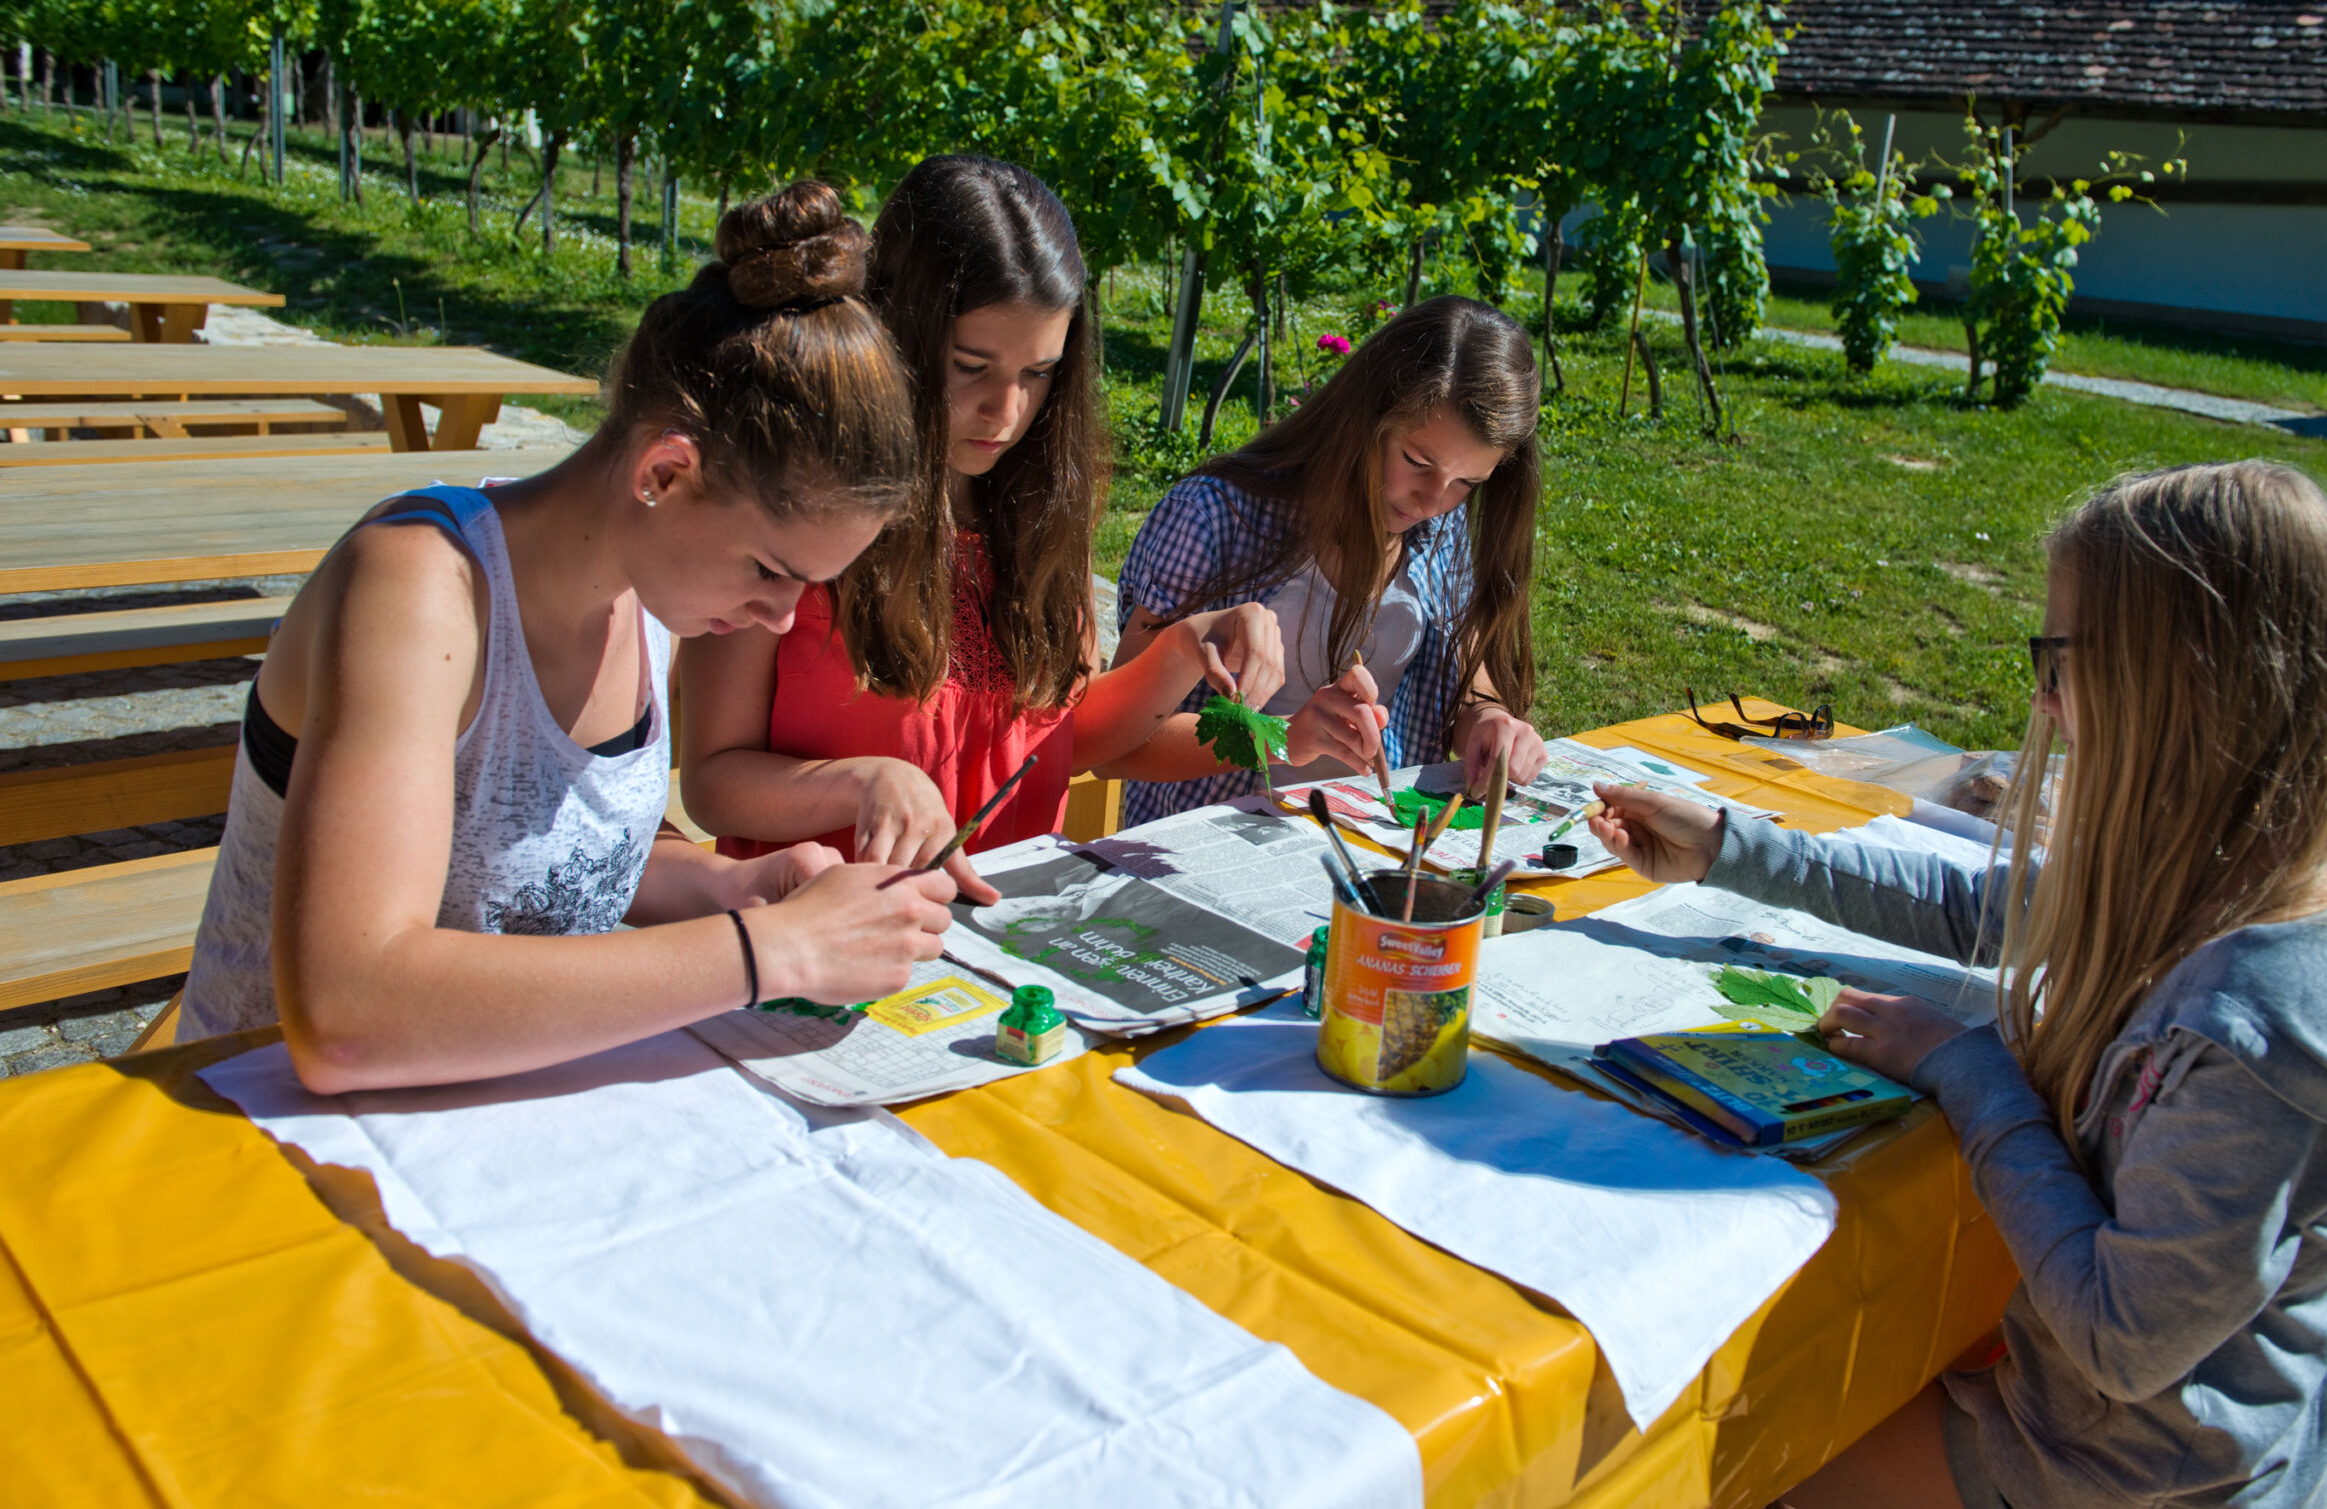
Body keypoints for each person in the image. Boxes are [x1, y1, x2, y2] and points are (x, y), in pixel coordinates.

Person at [1589, 461, 2327, 1509]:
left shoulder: (2268, 1035)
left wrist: (1965, 1069)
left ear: (2180, 681)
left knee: (1707, 1457)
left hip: (2132, 1480)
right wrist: (1732, 849)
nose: (2041, 697)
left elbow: (2115, 1335)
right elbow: (1995, 907)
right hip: (2104, 1432)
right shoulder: (2247, 847)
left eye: (2058, 659)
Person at [179, 182, 961, 1090]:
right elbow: (344, 1014)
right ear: (666, 474)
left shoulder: (651, 591)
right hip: (260, 1137)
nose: (781, 618)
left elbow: (543, 857)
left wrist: (726, 889)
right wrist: (765, 950)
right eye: (769, 570)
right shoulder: (418, 587)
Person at [679, 154, 1282, 880]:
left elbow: (1054, 738)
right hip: (828, 942)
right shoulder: (797, 510)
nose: (1008, 413)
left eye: (1039, 374)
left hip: (1002, 947)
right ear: (897, 331)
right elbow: (712, 781)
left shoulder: (1032, 511)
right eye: (972, 367)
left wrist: (1184, 650)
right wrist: (861, 785)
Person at [1112, 295, 1548, 826]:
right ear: (1363, 419)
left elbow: (1467, 680)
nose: (1432, 501)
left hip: (1364, 848)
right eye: (1416, 461)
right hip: (1204, 860)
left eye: (1467, 482)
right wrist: (1279, 738)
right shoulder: (1212, 518)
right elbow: (1118, 741)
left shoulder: (1440, 528)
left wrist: (1488, 721)